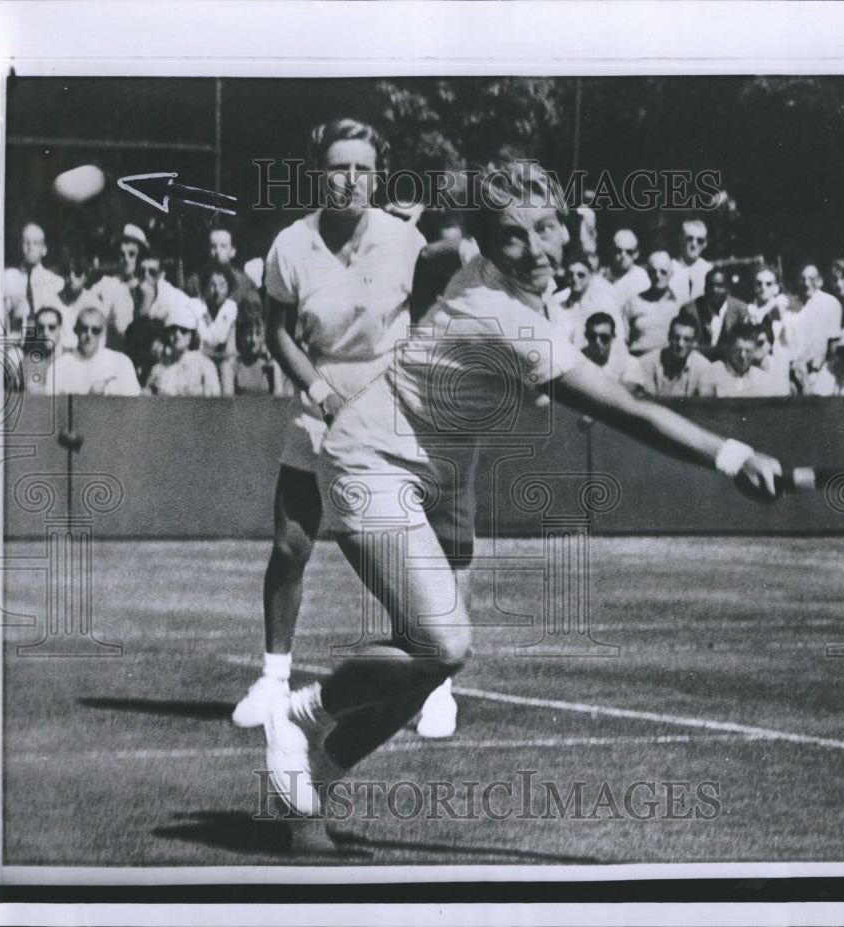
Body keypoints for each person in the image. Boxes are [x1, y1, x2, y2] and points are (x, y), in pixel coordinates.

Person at [263, 159, 781, 817]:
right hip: (371, 461)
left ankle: (318, 778)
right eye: (514, 236)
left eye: (547, 227)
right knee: (445, 641)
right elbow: (628, 410)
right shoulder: (503, 317)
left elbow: (444, 253)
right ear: (488, 242)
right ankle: (302, 714)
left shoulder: (507, 281)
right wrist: (733, 454)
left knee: (430, 666)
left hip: (442, 470)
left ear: (567, 226)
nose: (536, 249)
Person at [232, 118, 455, 744]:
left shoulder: (407, 242)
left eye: (361, 169)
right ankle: (275, 679)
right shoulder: (289, 244)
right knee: (291, 544)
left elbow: (445, 305)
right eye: (337, 168)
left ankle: (434, 687)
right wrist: (318, 387)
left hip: (390, 411)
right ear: (317, 173)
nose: (349, 181)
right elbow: (277, 330)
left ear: (377, 176)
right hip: (317, 402)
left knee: (401, 557)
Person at [48, 306, 141, 396]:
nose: (89, 335)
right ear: (75, 330)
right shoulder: (59, 368)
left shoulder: (121, 362)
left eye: (95, 330)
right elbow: (52, 409)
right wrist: (90, 397)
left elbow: (134, 403)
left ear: (102, 333)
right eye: (84, 329)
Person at [621, 311, 712, 398]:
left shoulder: (703, 366)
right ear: (669, 337)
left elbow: (704, 404)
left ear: (694, 342)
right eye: (676, 338)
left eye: (687, 339)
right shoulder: (647, 362)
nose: (680, 344)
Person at [784, 263, 843, 391]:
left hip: (820, 371)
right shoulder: (789, 305)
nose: (806, 283)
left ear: (820, 281)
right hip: (792, 372)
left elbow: (834, 344)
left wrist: (817, 370)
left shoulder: (831, 303)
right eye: (803, 279)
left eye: (811, 279)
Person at [2, 222, 64, 342]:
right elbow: (3, 317)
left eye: (36, 243)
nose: (30, 247)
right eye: (26, 242)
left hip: (45, 340)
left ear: (44, 250)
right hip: (17, 340)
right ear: (20, 246)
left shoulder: (54, 281)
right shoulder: (9, 277)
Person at [145, 300, 221, 397]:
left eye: (184, 330)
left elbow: (215, 402)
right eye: (173, 329)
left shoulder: (205, 366)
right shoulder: (158, 369)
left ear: (192, 335)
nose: (178, 335)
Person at [550, 250, 623, 351]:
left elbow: (618, 338)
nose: (575, 279)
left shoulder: (605, 303)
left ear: (591, 276)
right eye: (571, 274)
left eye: (581, 275)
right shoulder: (557, 303)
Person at [92, 224, 148, 350]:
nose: (126, 260)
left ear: (140, 257)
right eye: (122, 254)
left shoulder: (148, 286)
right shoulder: (108, 284)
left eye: (131, 254)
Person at [681, 267, 749, 359]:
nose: (714, 290)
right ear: (705, 287)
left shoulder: (740, 309)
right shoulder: (690, 310)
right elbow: (688, 345)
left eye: (719, 285)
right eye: (710, 285)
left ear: (728, 288)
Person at [622, 250, 680, 356]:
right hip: (638, 358)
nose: (658, 276)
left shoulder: (678, 304)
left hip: (666, 360)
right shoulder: (633, 302)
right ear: (648, 273)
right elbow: (623, 339)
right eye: (653, 271)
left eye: (663, 271)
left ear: (671, 274)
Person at [194, 264, 239, 397]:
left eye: (222, 285)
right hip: (200, 358)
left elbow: (216, 339)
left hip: (224, 360)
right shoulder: (198, 305)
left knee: (226, 368)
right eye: (212, 285)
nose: (217, 291)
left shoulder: (231, 307)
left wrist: (207, 320)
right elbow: (206, 340)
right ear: (205, 287)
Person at [700, 323, 779, 397]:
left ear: (754, 351)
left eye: (748, 351)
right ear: (729, 349)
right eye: (738, 350)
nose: (743, 355)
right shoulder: (713, 371)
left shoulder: (760, 377)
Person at [208, 226, 263, 326]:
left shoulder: (244, 283)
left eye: (223, 246)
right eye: (213, 246)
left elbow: (254, 320)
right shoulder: (196, 281)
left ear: (232, 251)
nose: (217, 252)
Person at [601, 229, 651, 310]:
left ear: (636, 254)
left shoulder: (641, 278)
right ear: (612, 251)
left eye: (629, 252)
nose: (623, 255)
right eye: (618, 251)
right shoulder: (601, 276)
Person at [19, 306, 64, 395]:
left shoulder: (68, 356)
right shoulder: (30, 360)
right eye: (41, 327)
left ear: (60, 329)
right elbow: (32, 390)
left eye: (51, 327)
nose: (46, 332)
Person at [668, 219, 713, 305]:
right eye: (689, 239)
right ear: (680, 239)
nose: (694, 244)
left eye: (700, 240)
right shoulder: (668, 269)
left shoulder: (709, 270)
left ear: (705, 244)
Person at [581, 312, 628, 382]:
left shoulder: (625, 363)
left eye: (604, 337)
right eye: (592, 336)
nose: (597, 341)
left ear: (613, 338)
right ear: (586, 336)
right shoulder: (577, 361)